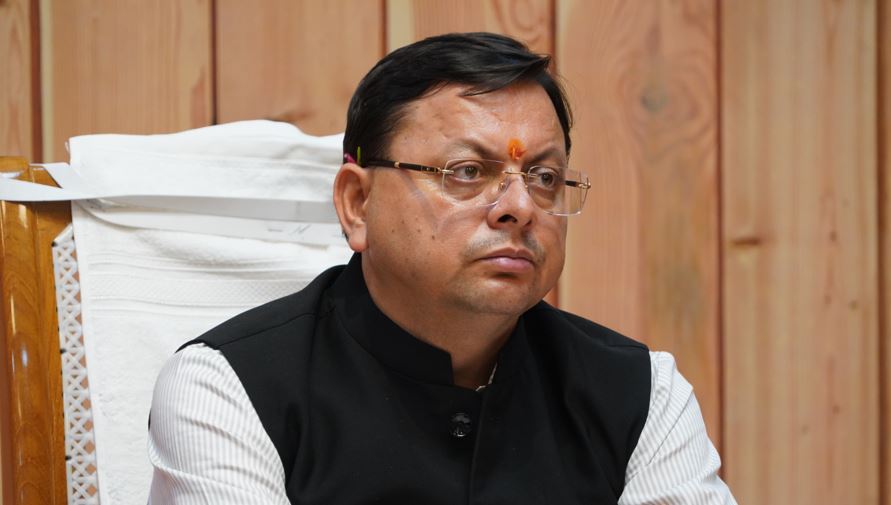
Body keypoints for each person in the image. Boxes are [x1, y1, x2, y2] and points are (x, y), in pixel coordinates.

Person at [147, 32, 736, 504]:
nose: (519, 207)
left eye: (545, 177)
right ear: (358, 204)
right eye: (466, 172)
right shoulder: (228, 389)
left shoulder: (642, 395)